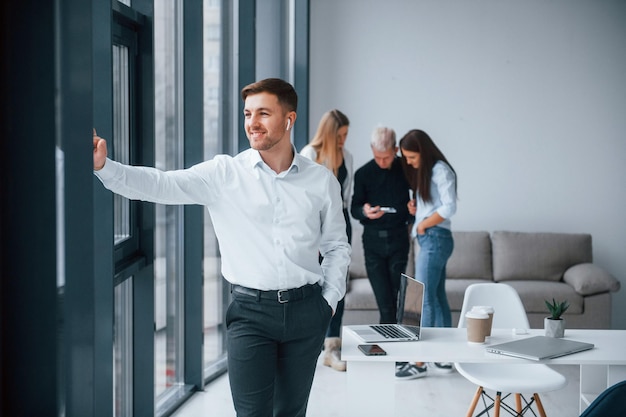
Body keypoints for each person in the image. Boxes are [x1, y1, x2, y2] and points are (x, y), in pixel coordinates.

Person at [93, 78, 351, 416]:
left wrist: (328, 303)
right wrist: (105, 168)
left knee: (291, 412)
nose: (252, 123)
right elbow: (162, 184)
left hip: (307, 312)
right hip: (250, 314)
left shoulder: (321, 181)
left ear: (289, 119)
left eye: (263, 113)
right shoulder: (225, 174)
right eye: (247, 114)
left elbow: (336, 246)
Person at [395, 128, 458, 380]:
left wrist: (422, 224)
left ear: (422, 150)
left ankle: (420, 361)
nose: (409, 162)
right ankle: (444, 357)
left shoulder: (440, 169)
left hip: (434, 238)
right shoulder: (429, 172)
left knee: (424, 300)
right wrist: (417, 208)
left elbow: (450, 206)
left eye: (411, 157)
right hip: (432, 238)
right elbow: (435, 204)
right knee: (437, 297)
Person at [300, 109, 353, 372]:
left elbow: (345, 198)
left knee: (337, 283)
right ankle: (310, 344)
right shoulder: (310, 154)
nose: (343, 140)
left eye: (346, 135)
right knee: (314, 283)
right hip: (314, 225)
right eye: (340, 135)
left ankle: (332, 347)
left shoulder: (348, 157)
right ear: (330, 134)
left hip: (340, 222)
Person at [350, 126, 412, 324]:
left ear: (395, 150)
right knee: (385, 304)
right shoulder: (363, 174)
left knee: (397, 298)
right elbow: (354, 208)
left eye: (386, 157)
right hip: (372, 243)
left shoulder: (407, 168)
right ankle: (391, 351)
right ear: (371, 149)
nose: (382, 162)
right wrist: (364, 211)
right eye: (378, 157)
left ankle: (399, 352)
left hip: (399, 239)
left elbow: (422, 196)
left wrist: (415, 206)